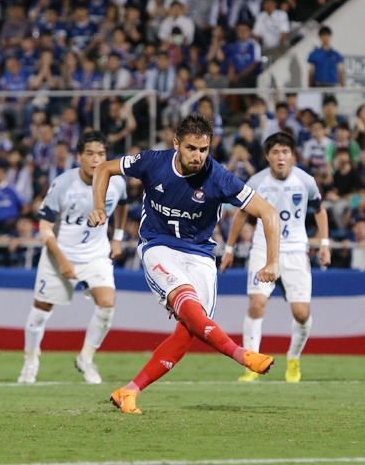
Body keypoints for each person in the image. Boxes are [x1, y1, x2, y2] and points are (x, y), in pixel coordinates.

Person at [88, 114, 281, 413]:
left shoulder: (219, 178)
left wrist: (272, 261)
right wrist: (99, 206)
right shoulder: (152, 162)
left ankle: (129, 391)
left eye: (204, 150)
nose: (198, 156)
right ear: (176, 144)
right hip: (158, 246)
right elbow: (104, 168)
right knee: (190, 309)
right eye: (191, 148)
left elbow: (269, 213)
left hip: (201, 256)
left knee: (190, 329)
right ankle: (241, 354)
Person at [17, 131, 128, 385]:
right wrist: (63, 260)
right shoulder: (64, 184)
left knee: (107, 304)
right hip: (60, 255)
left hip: (95, 256)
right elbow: (44, 227)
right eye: (90, 154)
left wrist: (118, 237)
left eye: (101, 154)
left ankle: (85, 359)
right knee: (41, 310)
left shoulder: (116, 181)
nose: (96, 159)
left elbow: (123, 204)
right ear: (79, 157)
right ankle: (30, 362)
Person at [220, 132, 330, 383]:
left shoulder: (306, 181)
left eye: (285, 152)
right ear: (268, 156)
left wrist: (324, 244)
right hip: (262, 248)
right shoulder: (257, 182)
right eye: (275, 152)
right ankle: (251, 363)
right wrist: (229, 249)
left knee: (302, 314)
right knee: (256, 305)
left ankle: (293, 357)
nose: (281, 157)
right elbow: (240, 215)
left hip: (295, 251)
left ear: (293, 155)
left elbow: (319, 211)